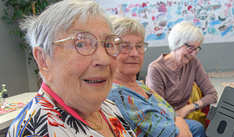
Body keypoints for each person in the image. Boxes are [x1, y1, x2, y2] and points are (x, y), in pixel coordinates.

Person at [7, 0, 135, 136]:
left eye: (108, 44)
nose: (104, 60)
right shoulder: (39, 130)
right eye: (81, 44)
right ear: (43, 60)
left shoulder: (108, 107)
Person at [107, 17, 202, 137]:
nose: (135, 53)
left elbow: (171, 112)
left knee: (197, 127)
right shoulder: (118, 94)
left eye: (139, 46)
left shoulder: (139, 84)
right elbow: (179, 133)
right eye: (125, 46)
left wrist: (178, 119)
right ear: (109, 50)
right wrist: (178, 120)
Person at [146, 22, 218, 119]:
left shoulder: (193, 63)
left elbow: (212, 94)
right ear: (177, 43)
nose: (193, 54)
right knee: (198, 128)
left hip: (183, 117)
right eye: (190, 48)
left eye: (196, 49)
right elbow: (159, 108)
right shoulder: (156, 69)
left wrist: (189, 108)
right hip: (164, 119)